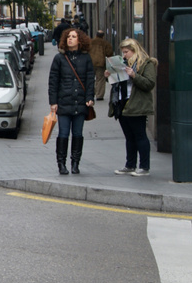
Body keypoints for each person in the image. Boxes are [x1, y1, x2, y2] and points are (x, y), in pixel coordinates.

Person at [106, 37, 157, 177]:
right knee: (129, 137)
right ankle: (130, 165)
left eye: (126, 52)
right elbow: (118, 82)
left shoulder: (147, 63)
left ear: (134, 51)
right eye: (122, 52)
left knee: (140, 135)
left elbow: (149, 84)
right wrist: (109, 76)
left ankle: (144, 167)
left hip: (137, 104)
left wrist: (134, 75)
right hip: (122, 103)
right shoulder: (123, 64)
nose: (124, 55)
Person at [48, 27, 95, 175]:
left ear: (79, 40)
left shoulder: (86, 58)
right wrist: (53, 102)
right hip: (63, 102)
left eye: (73, 37)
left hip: (80, 102)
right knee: (63, 134)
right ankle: (61, 164)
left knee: (77, 134)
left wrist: (90, 98)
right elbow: (53, 81)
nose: (70, 39)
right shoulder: (59, 58)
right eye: (68, 36)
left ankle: (75, 163)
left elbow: (90, 80)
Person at [88, 30, 114, 100]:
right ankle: (99, 95)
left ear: (96, 35)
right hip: (100, 63)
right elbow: (109, 53)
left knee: (90, 79)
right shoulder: (105, 43)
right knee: (100, 79)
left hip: (90, 62)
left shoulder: (90, 42)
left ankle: (90, 93)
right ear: (103, 36)